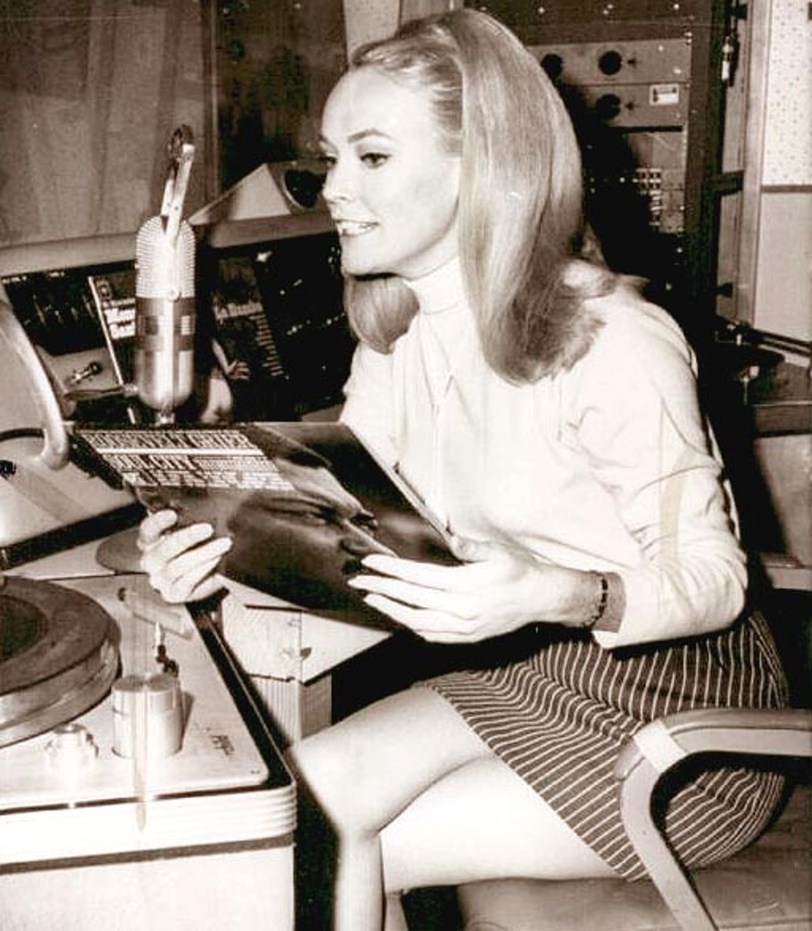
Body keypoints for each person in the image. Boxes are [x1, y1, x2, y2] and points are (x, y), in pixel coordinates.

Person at [137, 10, 788, 930]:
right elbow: (350, 534)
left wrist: (554, 592)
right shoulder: (396, 334)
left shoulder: (616, 342)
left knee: (319, 843)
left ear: (481, 168)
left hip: (685, 717)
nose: (334, 189)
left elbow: (717, 580)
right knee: (303, 801)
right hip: (532, 669)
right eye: (332, 157)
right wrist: (216, 553)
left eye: (371, 157)